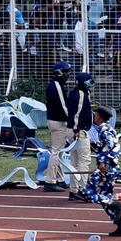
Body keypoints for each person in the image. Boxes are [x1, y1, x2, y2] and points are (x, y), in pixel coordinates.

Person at [75, 106, 121, 236]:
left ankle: (117, 206)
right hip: (109, 168)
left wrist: (102, 162)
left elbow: (111, 148)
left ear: (98, 116)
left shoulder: (105, 131)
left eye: (95, 115)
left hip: (106, 168)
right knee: (105, 195)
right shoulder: (105, 129)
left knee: (87, 192)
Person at [43, 61, 73, 192]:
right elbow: (63, 106)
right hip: (58, 122)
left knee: (59, 151)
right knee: (56, 151)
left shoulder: (55, 85)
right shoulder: (56, 86)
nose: (68, 74)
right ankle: (50, 181)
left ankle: (59, 179)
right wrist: (71, 121)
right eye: (66, 71)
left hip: (55, 121)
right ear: (59, 72)